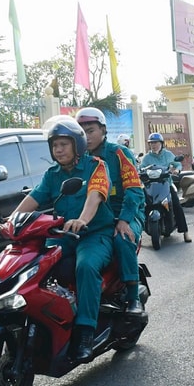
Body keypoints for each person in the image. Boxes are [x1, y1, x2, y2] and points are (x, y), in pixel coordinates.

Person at [3, 116, 115, 363]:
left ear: (77, 145)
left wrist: (83, 220)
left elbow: (95, 195)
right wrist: (9, 222)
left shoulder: (96, 166)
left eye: (64, 144)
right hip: (63, 236)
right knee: (36, 265)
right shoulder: (52, 175)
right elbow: (32, 200)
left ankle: (85, 331)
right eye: (55, 146)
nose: (59, 149)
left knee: (85, 266)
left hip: (94, 234)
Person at [75, 107, 148, 316]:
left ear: (103, 130)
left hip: (127, 212)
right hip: (96, 217)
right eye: (81, 132)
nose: (86, 137)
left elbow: (134, 191)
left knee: (122, 238)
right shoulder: (79, 158)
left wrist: (124, 220)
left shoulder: (119, 153)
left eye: (90, 131)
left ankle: (133, 297)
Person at [141, 132, 191, 243]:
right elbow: (141, 168)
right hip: (150, 186)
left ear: (161, 143)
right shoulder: (146, 158)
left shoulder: (168, 155)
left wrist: (177, 169)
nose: (154, 145)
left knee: (176, 204)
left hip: (166, 184)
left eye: (156, 142)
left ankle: (185, 232)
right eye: (151, 143)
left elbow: (177, 163)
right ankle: (139, 232)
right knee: (141, 204)